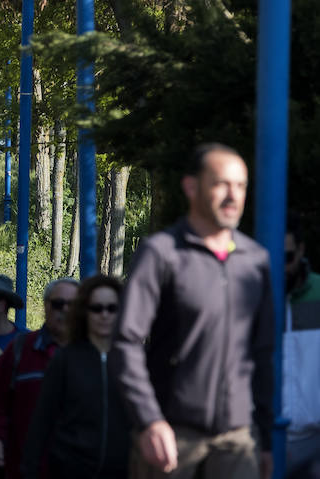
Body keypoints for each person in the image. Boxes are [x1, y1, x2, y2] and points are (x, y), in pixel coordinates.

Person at [111, 143, 273, 479]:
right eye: (221, 184)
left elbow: (263, 353)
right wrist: (149, 420)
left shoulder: (255, 261)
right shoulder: (162, 253)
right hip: (171, 436)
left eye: (241, 186)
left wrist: (266, 441)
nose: (233, 196)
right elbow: (125, 341)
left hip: (237, 440)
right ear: (191, 187)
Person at [22, 275, 129, 478]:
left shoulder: (133, 360)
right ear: (84, 312)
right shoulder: (66, 359)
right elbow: (42, 421)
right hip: (71, 469)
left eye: (112, 308)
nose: (104, 315)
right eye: (96, 308)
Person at [0, 277, 79, 478]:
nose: (65, 310)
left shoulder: (97, 355)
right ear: (45, 307)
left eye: (73, 305)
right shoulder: (21, 350)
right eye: (58, 304)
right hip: (27, 468)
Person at [283, 214, 320, 477]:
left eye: (288, 257)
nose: (282, 267)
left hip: (314, 441)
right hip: (263, 439)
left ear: (301, 250)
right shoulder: (251, 296)